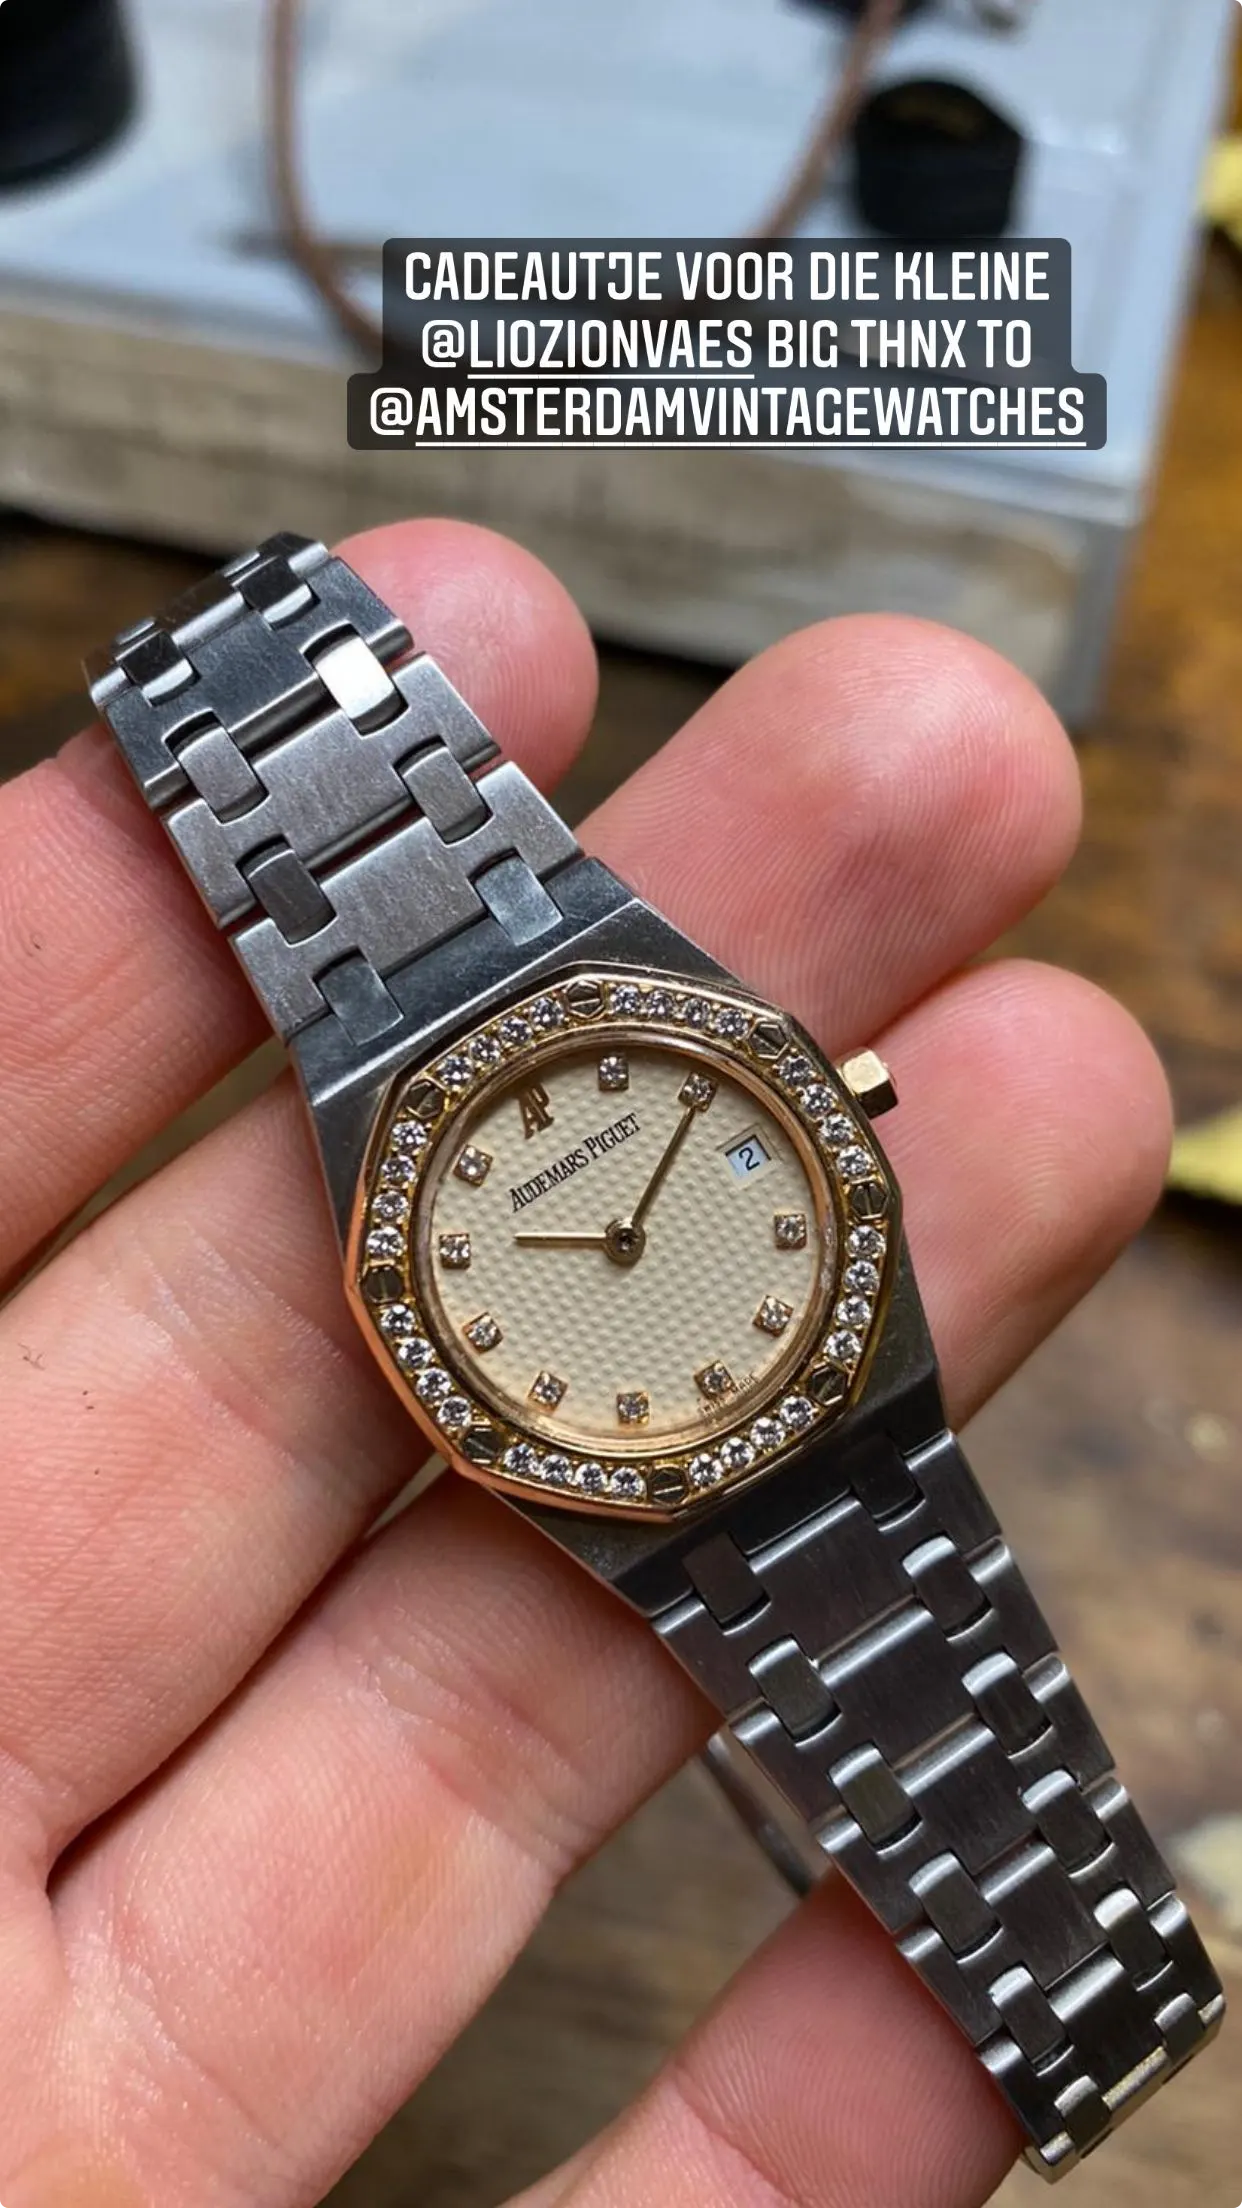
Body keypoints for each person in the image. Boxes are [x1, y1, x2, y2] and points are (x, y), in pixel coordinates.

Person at [0, 520, 1169, 2205]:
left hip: (820, 1409)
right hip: (651, 1452)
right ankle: (1081, 1991)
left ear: (821, 1100)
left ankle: (1093, 1985)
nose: (616, 1238)